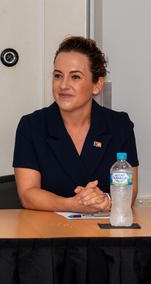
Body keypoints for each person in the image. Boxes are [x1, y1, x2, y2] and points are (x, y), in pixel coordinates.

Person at [13, 36, 139, 213]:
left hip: (104, 233)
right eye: (58, 76)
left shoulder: (119, 125)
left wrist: (107, 201)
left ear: (97, 85)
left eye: (75, 77)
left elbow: (130, 190)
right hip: (47, 233)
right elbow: (27, 194)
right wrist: (72, 204)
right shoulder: (32, 126)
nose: (63, 85)